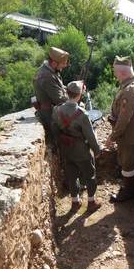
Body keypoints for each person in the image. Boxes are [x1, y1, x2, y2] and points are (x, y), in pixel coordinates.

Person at [105, 56, 134, 203]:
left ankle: (128, 192)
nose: (115, 75)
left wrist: (113, 136)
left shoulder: (129, 90)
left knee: (127, 161)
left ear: (122, 73)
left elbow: (124, 119)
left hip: (131, 131)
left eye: (115, 72)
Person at [52, 80, 102, 213]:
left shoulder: (57, 110)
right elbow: (90, 136)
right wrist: (97, 150)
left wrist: (59, 145)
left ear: (67, 93)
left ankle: (75, 202)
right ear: (79, 95)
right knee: (90, 175)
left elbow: (55, 129)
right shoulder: (82, 114)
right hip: (81, 150)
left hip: (66, 149)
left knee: (71, 175)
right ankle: (91, 202)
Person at [33, 46, 69, 135]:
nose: (64, 66)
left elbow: (59, 87)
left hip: (53, 109)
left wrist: (71, 88)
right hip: (49, 115)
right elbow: (59, 100)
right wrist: (75, 96)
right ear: (54, 62)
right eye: (62, 63)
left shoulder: (51, 70)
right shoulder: (47, 76)